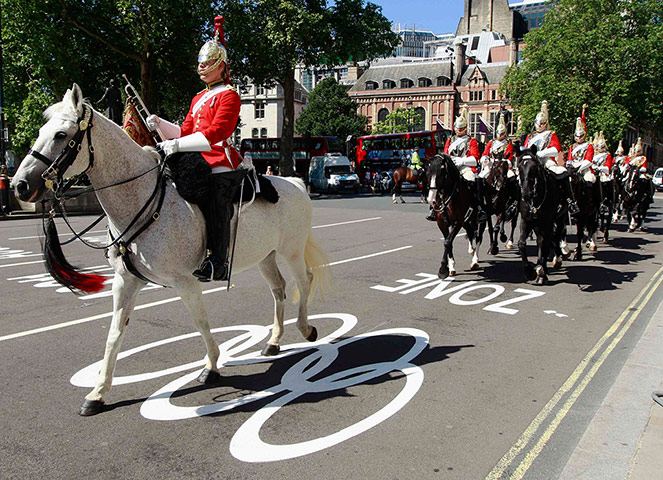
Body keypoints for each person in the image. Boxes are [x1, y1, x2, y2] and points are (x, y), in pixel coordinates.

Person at [146, 16, 244, 282]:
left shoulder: (229, 95)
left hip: (219, 159)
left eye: (207, 63)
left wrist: (176, 144)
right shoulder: (199, 97)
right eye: (199, 64)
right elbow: (187, 131)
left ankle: (217, 261)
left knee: (215, 200)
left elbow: (217, 134)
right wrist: (160, 124)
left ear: (220, 66)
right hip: (194, 158)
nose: (201, 68)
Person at [426, 106, 484, 222]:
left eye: (461, 128)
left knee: (472, 179)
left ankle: (477, 207)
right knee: (439, 180)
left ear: (465, 128)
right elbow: (445, 154)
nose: (459, 130)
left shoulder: (471, 141)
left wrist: (462, 160)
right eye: (457, 128)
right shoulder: (450, 140)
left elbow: (475, 158)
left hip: (464, 167)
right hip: (451, 167)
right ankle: (434, 208)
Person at [524, 100, 579, 215]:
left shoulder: (551, 134)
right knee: (520, 176)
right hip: (532, 160)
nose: (539, 125)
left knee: (563, 173)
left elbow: (555, 150)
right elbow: (525, 149)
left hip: (546, 160)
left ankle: (570, 201)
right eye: (538, 123)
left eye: (542, 123)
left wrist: (542, 153)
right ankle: (515, 203)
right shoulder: (530, 136)